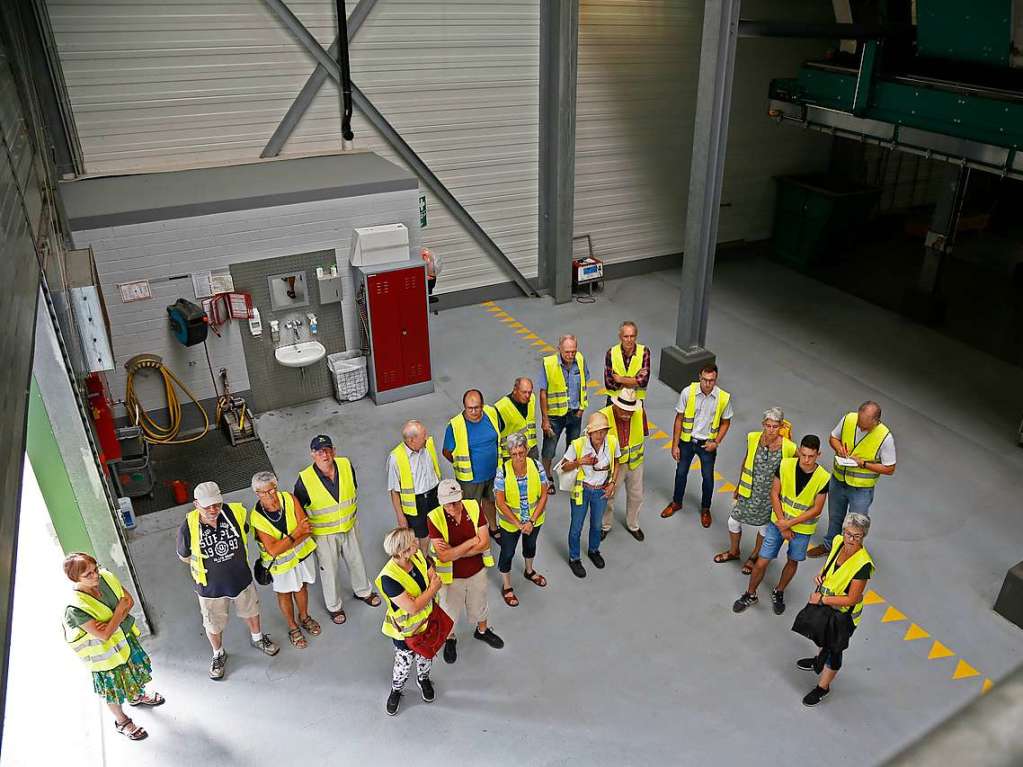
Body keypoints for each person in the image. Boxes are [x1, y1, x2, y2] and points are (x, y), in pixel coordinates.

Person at [176, 481, 279, 680]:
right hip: (210, 588)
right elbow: (184, 555)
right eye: (207, 506)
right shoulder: (188, 527)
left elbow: (246, 531)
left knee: (251, 610)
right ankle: (218, 654)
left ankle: (258, 639)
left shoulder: (235, 513)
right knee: (213, 624)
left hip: (240, 578)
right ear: (196, 504)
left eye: (217, 504)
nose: (213, 509)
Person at [63, 553, 164, 741]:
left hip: (124, 641)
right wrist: (119, 611)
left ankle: (136, 696)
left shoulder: (106, 577)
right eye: (88, 575)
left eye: (95, 569)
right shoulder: (75, 609)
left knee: (133, 673)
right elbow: (104, 635)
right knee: (113, 690)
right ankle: (122, 721)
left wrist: (111, 621)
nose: (95, 576)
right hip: (105, 659)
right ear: (74, 578)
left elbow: (130, 601)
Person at [733, 435, 830, 615]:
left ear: (819, 455)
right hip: (778, 523)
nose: (806, 460)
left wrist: (789, 524)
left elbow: (816, 509)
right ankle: (750, 593)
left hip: (800, 528)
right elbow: (774, 493)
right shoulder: (785, 465)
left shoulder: (823, 477)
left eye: (811, 456)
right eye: (803, 455)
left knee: (792, 560)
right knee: (762, 561)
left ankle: (779, 591)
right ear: (799, 451)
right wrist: (782, 524)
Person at [294, 435, 380, 627]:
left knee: (357, 561)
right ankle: (334, 607)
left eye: (327, 449)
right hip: (324, 535)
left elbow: (353, 489)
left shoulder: (345, 465)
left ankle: (364, 592)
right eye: (319, 451)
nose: (324, 454)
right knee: (329, 570)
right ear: (312, 455)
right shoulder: (305, 479)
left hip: (349, 526)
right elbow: (298, 509)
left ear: (334, 450)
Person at [797, 513, 875, 706]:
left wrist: (822, 599)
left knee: (834, 651)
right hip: (827, 607)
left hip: (842, 615)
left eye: (857, 536)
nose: (851, 539)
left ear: (863, 536)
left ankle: (823, 687)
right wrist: (821, 574)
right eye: (849, 534)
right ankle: (818, 661)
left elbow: (852, 598)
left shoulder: (863, 565)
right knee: (822, 637)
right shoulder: (838, 541)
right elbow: (831, 564)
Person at [427, 479, 505, 664]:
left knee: (480, 604)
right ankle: (450, 639)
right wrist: (472, 542)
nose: (453, 507)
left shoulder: (473, 506)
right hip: (450, 577)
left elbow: (485, 542)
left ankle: (482, 631)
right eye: (448, 503)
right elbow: (444, 557)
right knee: (448, 611)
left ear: (461, 496)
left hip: (476, 570)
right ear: (441, 502)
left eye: (456, 501)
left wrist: (455, 551)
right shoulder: (434, 518)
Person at [807, 401, 896, 558]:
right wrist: (838, 448)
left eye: (865, 425)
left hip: (861, 489)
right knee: (835, 516)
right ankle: (829, 546)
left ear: (876, 421)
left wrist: (864, 464)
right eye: (859, 423)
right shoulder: (849, 419)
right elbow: (833, 438)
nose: (860, 427)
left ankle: (848, 555)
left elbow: (889, 468)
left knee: (856, 525)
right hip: (838, 480)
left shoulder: (885, 438)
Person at [714, 408, 797, 575]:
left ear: (781, 426)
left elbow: (793, 471)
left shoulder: (789, 447)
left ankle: (754, 556)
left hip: (771, 496)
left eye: (775, 426)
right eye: (768, 425)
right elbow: (746, 460)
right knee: (733, 521)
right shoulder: (753, 437)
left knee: (765, 527)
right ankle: (734, 551)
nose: (771, 430)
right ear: (763, 425)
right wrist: (739, 485)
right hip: (749, 490)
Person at [250, 471, 320, 649]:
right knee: (285, 594)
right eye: (263, 493)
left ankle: (304, 617)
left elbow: (307, 529)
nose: (269, 495)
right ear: (256, 493)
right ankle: (292, 626)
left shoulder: (289, 498)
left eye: (271, 490)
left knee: (302, 586)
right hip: (280, 566)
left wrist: (286, 542)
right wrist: (296, 533)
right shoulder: (257, 517)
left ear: (276, 487)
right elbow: (273, 551)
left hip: (301, 558)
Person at [376, 527, 442, 716]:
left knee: (426, 656)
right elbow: (412, 608)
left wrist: (430, 587)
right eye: (412, 542)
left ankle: (423, 679)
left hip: (427, 623)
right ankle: (396, 689)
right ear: (402, 551)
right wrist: (433, 588)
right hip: (405, 631)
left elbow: (431, 573)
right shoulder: (389, 578)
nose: (417, 543)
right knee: (403, 663)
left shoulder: (418, 555)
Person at [662, 363, 733, 528]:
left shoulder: (723, 398)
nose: (708, 384)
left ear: (716, 379)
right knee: (680, 473)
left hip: (707, 446)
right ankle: (676, 502)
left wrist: (716, 442)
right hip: (687, 442)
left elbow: (726, 422)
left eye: (712, 380)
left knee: (708, 478)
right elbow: (679, 419)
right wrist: (675, 445)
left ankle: (706, 509)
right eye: (705, 380)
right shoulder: (688, 392)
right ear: (699, 377)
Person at [560, 412, 621, 578]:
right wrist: (580, 462)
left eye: (603, 431)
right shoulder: (578, 445)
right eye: (597, 431)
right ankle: (574, 558)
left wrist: (612, 484)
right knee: (576, 527)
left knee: (596, 525)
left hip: (601, 491)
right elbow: (564, 467)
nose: (600, 435)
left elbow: (618, 463)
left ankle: (594, 550)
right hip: (582, 490)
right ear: (589, 432)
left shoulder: (612, 443)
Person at [495, 432, 550, 606]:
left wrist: (531, 521)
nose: (518, 457)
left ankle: (529, 571)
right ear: (509, 454)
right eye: (514, 454)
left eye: (521, 452)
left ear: (526, 450)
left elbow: (543, 495)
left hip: (534, 520)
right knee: (507, 552)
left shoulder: (537, 466)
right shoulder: (502, 471)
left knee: (530, 546)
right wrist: (519, 524)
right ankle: (507, 586)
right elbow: (500, 502)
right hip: (511, 524)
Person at [443, 390, 501, 538]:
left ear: (482, 405)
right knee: (470, 509)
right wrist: (460, 465)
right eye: (470, 408)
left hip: (493, 473)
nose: (474, 411)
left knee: (490, 502)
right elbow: (447, 452)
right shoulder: (455, 426)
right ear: (464, 406)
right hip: (470, 480)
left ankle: (493, 528)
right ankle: (474, 536)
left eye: (477, 407)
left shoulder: (491, 413)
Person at [539, 334, 588, 495]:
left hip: (574, 413)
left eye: (573, 351)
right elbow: (543, 393)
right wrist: (545, 419)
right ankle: (547, 477)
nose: (570, 355)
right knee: (549, 449)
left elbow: (583, 384)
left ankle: (569, 475)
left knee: (573, 446)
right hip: (555, 416)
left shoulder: (580, 360)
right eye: (567, 352)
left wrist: (582, 408)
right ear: (559, 349)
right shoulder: (549, 364)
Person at [598, 387, 648, 541]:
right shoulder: (603, 416)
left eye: (630, 411)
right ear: (615, 405)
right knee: (608, 496)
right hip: (614, 466)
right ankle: (605, 525)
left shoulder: (639, 412)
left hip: (635, 462)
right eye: (624, 411)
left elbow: (643, 433)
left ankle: (633, 525)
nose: (627, 415)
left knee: (636, 496)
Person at [387, 420, 442, 552]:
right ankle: (423, 562)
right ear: (411, 440)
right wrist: (400, 517)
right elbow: (394, 491)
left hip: (434, 496)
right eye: (423, 436)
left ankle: (431, 557)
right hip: (416, 503)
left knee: (437, 529)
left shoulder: (427, 445)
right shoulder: (395, 458)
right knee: (420, 537)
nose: (426, 437)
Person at [604, 321, 650, 404]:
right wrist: (634, 381)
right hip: (614, 400)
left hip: (635, 400)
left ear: (636, 336)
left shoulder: (644, 352)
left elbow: (643, 381)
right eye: (626, 336)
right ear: (620, 337)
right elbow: (609, 383)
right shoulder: (611, 352)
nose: (629, 340)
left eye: (632, 336)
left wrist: (620, 379)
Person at [495, 377, 538, 461]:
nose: (527, 395)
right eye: (524, 392)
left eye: (529, 392)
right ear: (515, 390)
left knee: (534, 473)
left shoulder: (532, 399)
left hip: (531, 449)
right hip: (511, 454)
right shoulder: (501, 408)